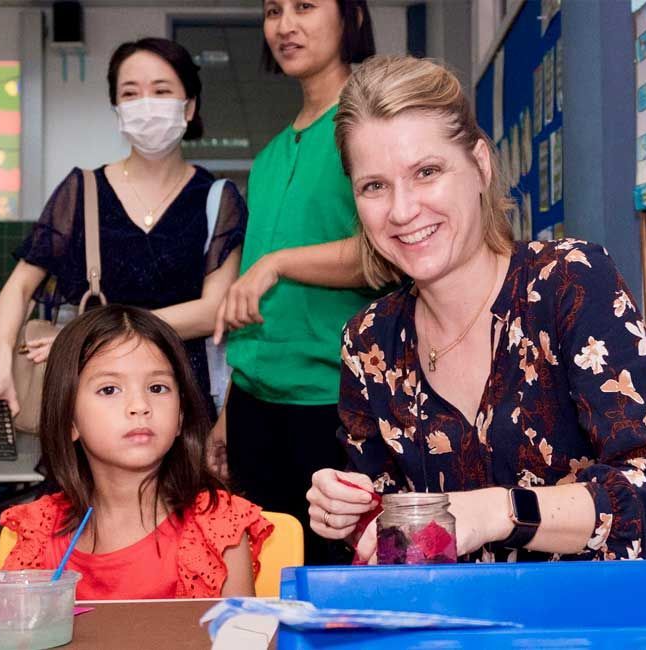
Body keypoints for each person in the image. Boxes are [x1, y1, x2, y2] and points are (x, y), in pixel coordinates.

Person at [307, 56, 646, 563]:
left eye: (426, 172)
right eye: (374, 186)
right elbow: (392, 543)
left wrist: (498, 511)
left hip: (585, 631)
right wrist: (349, 513)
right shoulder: (370, 341)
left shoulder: (569, 283)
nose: (401, 211)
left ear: (480, 165)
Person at [0, 38, 246, 429]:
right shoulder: (82, 190)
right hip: (92, 402)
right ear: (117, 109)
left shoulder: (217, 198)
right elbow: (19, 287)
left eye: (161, 91)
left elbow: (213, 310)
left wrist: (101, 332)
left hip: (181, 401)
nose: (146, 104)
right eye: (131, 93)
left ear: (189, 105)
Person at [210, 0, 376, 565]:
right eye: (272, 10)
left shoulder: (369, 126)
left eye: (305, 6)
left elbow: (386, 253)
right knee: (267, 581)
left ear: (350, 17)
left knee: (337, 587)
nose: (285, 25)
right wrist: (229, 411)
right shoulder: (271, 155)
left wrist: (277, 263)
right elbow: (252, 312)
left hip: (334, 403)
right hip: (256, 403)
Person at [0, 305, 271, 599]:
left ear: (180, 415)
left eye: (157, 387)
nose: (140, 405)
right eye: (109, 390)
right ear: (69, 420)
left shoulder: (217, 525)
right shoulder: (36, 532)